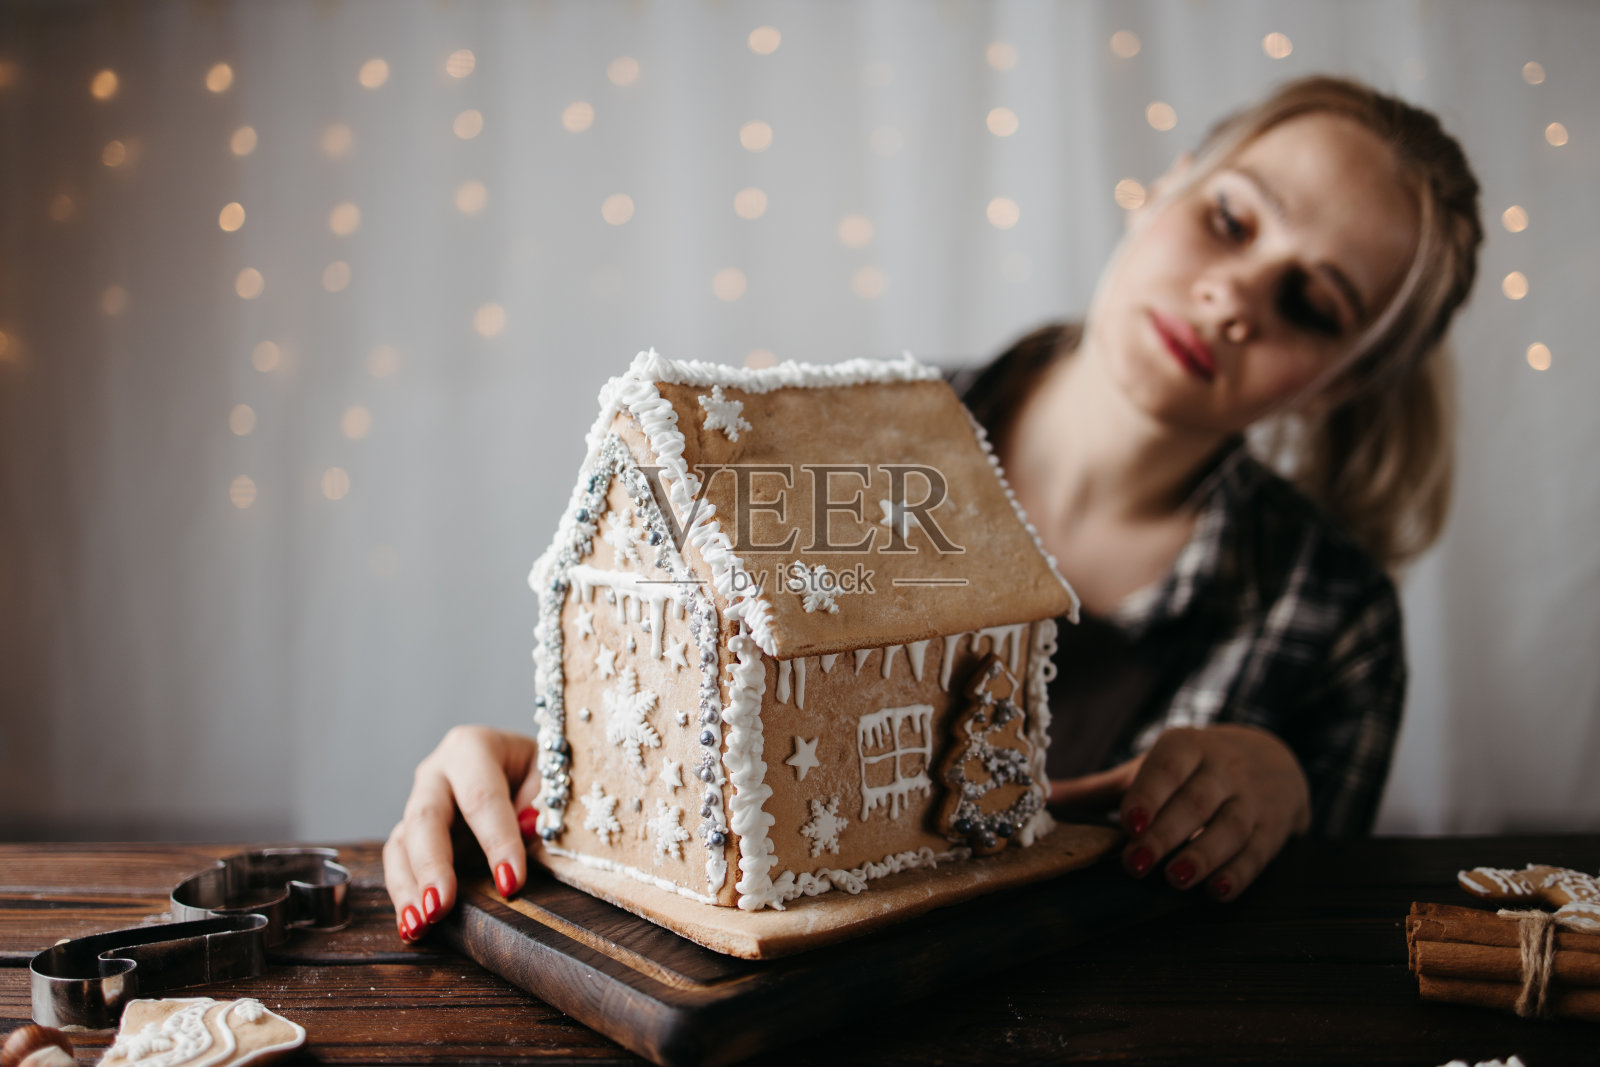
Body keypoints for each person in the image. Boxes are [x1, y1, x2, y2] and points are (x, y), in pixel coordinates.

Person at [382, 74, 1482, 943]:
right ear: (1174, 179)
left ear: (1337, 385)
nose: (1234, 296)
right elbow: (724, 731)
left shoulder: (1332, 618)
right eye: (1232, 220)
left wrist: (1283, 802)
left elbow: (1302, 970)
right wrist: (575, 764)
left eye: (1310, 301)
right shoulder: (839, 445)